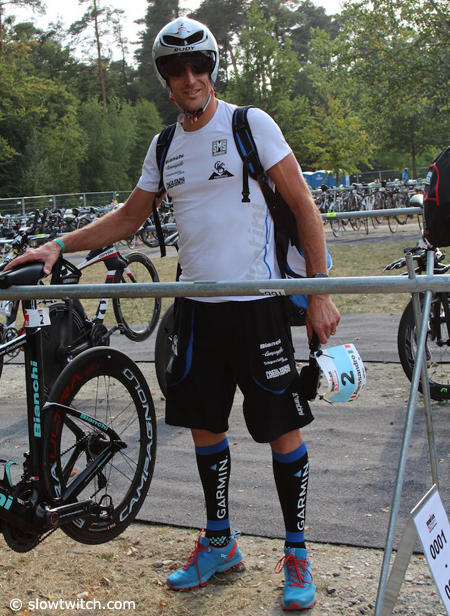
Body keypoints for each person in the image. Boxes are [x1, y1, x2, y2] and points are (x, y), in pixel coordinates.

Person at [8, 17, 340, 611]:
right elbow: (127, 219)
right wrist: (60, 244)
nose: (190, 78)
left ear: (213, 69)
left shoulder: (250, 125)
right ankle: (219, 543)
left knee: (281, 430)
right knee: (206, 427)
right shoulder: (165, 146)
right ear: (165, 79)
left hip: (259, 308)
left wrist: (319, 292)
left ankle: (296, 552)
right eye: (177, 69)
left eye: (199, 65)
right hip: (198, 313)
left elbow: (302, 203)